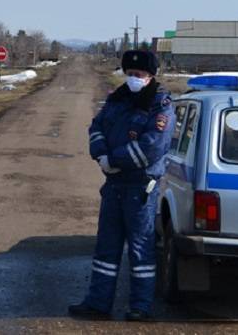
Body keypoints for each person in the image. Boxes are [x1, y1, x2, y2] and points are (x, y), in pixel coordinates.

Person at [69, 50, 175, 321]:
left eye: (138, 75)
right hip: (114, 185)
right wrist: (101, 155)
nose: (133, 79)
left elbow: (152, 146)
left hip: (140, 188)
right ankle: (98, 303)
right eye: (129, 74)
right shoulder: (117, 99)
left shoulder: (160, 105)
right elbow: (96, 127)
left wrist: (115, 159)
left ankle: (140, 307)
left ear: (151, 76)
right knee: (106, 246)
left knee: (140, 249)